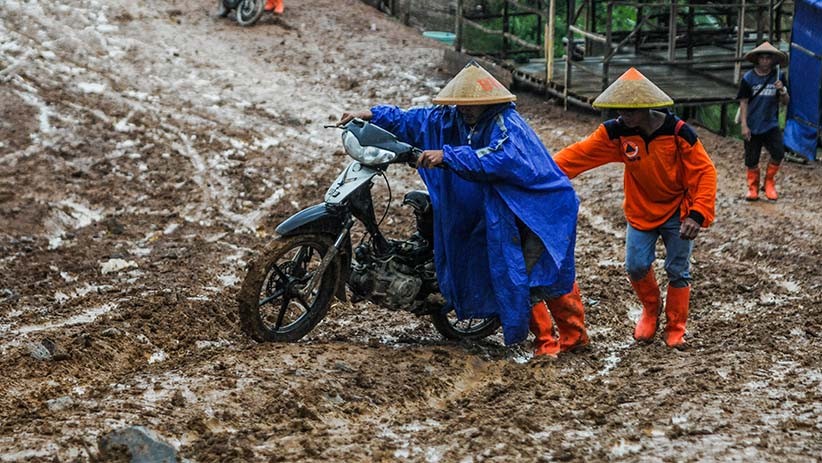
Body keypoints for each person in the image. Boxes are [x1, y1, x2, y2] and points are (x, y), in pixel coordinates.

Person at [338, 62, 588, 357]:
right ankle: (545, 338)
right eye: (461, 104)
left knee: (532, 273)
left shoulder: (508, 125)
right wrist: (373, 115)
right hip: (500, 208)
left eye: (472, 105)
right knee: (504, 268)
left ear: (489, 103)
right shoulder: (451, 118)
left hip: (536, 209)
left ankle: (564, 338)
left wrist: (448, 155)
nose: (465, 109)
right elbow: (414, 121)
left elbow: (499, 157)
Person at [553, 67, 717, 349]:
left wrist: (697, 213)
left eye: (629, 111)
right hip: (641, 211)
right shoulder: (616, 132)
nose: (623, 116)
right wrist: (539, 175)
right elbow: (577, 156)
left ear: (646, 108)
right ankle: (651, 309)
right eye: (620, 110)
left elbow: (705, 172)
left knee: (678, 269)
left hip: (679, 211)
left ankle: (676, 327)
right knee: (636, 265)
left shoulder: (678, 133)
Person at [737, 41, 789, 201]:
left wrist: (782, 90)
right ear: (757, 59)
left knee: (778, 153)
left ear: (773, 60)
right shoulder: (748, 78)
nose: (766, 61)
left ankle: (769, 182)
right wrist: (744, 125)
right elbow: (743, 102)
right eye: (763, 58)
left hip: (770, 123)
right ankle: (753, 187)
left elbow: (786, 101)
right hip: (753, 124)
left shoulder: (778, 76)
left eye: (769, 58)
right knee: (752, 158)